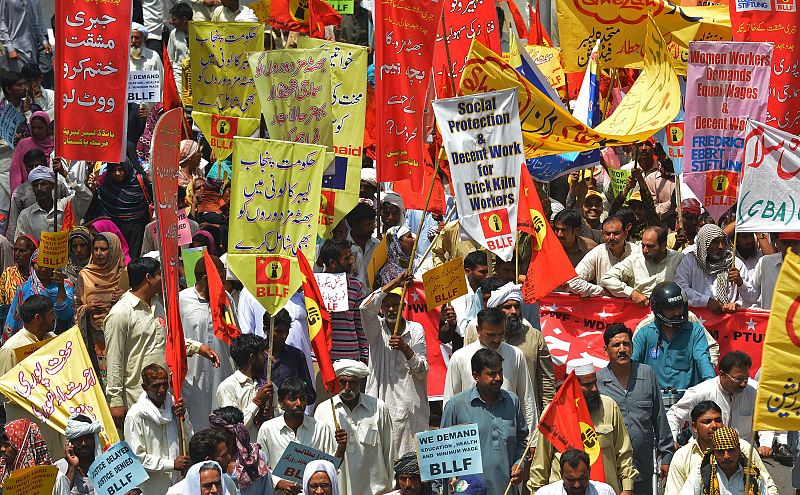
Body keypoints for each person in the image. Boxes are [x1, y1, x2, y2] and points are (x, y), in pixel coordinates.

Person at [104, 257, 216, 425]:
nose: (163, 279)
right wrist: (115, 402)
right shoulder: (120, 313)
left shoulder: (159, 305)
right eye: (159, 275)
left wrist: (198, 348)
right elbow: (114, 360)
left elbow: (169, 342)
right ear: (148, 278)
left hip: (164, 395)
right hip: (136, 396)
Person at [529, 358, 638, 495]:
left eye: (594, 383)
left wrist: (627, 488)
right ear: (571, 385)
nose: (594, 389)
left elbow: (624, 452)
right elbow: (541, 462)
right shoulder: (554, 413)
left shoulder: (609, 407)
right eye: (588, 385)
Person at [596, 324, 672, 495]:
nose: (622, 349)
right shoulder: (598, 382)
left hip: (642, 467)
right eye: (616, 345)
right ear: (606, 350)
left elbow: (659, 418)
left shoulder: (647, 374)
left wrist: (666, 456)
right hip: (610, 470)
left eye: (626, 344)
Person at [360, 272, 428, 457]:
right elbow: (365, 309)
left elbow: (422, 371)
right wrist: (395, 282)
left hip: (410, 410)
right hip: (381, 407)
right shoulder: (375, 329)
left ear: (403, 307)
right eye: (387, 305)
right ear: (381, 308)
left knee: (411, 466)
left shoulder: (416, 330)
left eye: (395, 305)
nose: (391, 310)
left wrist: (405, 348)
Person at [442, 348, 528, 494]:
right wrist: (452, 478)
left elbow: (522, 442)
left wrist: (519, 464)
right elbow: (444, 450)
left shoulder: (512, 401)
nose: (499, 378)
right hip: (468, 491)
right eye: (492, 374)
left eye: (500, 372)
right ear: (476, 376)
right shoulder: (456, 406)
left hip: (506, 489)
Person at [464, 281, 555, 414]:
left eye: (517, 306)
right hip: (483, 410)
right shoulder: (476, 333)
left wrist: (548, 412)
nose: (513, 311)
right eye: (507, 307)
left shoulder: (534, 337)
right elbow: (467, 371)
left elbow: (546, 381)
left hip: (524, 412)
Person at [666, 351, 774, 456]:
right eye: (737, 379)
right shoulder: (700, 392)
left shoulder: (754, 391)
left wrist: (765, 444)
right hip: (704, 454)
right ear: (722, 375)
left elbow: (765, 419)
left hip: (741, 455)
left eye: (746, 378)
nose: (743, 384)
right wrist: (672, 440)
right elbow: (674, 415)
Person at [444, 308, 537, 428]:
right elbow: (450, 398)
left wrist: (531, 440)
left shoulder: (516, 355)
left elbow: (526, 398)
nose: (497, 339)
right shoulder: (460, 357)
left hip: (507, 432)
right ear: (478, 329)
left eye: (501, 334)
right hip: (472, 436)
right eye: (491, 335)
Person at [314, 359, 394, 495]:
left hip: (374, 490)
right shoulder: (324, 410)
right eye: (342, 382)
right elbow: (318, 454)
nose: (347, 388)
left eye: (352, 382)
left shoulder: (378, 408)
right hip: (338, 489)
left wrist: (391, 487)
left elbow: (389, 450)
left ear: (361, 383)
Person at [664, 401, 777, 495]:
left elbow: (768, 487)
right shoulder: (691, 464)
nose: (714, 425)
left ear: (738, 449)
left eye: (718, 420)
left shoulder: (745, 451)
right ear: (694, 427)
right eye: (707, 422)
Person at [258, 377, 346, 495]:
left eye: (303, 398)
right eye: (293, 399)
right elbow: (261, 467)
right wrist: (279, 483)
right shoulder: (268, 429)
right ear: (280, 402)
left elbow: (331, 468)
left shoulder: (321, 427)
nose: (299, 403)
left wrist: (341, 449)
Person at [0, 296, 64, 457]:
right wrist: (34, 387)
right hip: (27, 426)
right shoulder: (11, 349)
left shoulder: (54, 340)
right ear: (38, 318)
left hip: (54, 421)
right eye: (50, 314)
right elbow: (4, 393)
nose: (54, 317)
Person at [180, 255, 236, 430]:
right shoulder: (182, 300)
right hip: (194, 380)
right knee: (197, 429)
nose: (223, 283)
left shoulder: (226, 299)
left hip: (223, 376)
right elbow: (174, 338)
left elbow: (234, 333)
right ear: (206, 279)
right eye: (219, 277)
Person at [632, 281, 716, 392]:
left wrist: (711, 386)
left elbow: (703, 360)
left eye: (679, 307)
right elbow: (631, 365)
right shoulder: (644, 333)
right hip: (652, 400)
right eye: (671, 309)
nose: (677, 313)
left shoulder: (695, 331)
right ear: (658, 309)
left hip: (687, 400)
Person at [125, 364, 192, 495]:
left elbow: (189, 439)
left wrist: (183, 418)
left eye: (164, 384)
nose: (161, 390)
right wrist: (171, 464)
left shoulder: (175, 406)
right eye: (155, 386)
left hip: (178, 483)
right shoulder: (135, 415)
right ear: (145, 388)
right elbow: (137, 458)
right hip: (152, 487)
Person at [75, 232, 128, 387]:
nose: (99, 253)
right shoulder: (85, 275)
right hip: (95, 339)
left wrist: (123, 298)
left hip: (120, 335)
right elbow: (76, 307)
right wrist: (87, 309)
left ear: (114, 250)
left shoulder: (124, 275)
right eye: (96, 249)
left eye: (104, 249)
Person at [674, 224, 758, 313]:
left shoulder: (734, 263)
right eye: (715, 242)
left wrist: (740, 288)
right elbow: (680, 288)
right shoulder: (690, 261)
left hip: (728, 321)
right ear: (704, 244)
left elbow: (752, 297)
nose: (721, 247)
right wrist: (707, 301)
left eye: (722, 242)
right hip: (698, 321)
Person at [85, 160, 153, 258]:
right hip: (115, 228)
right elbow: (94, 205)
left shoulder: (139, 181)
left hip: (137, 228)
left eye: (121, 169)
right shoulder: (106, 185)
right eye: (114, 170)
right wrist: (92, 188)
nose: (117, 173)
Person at [601, 226, 684, 305]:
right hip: (642, 314)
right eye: (643, 245)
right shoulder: (635, 260)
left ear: (663, 246)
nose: (645, 250)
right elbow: (607, 278)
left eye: (650, 246)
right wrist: (631, 293)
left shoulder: (680, 260)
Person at [3, 248, 74, 340]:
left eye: (48, 265)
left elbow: (65, 315)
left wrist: (60, 287)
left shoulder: (66, 285)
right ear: (32, 265)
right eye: (39, 265)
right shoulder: (23, 289)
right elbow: (14, 319)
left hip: (60, 338)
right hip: (31, 339)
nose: (44, 269)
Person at [216, 334, 277, 439]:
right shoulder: (228, 387)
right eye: (262, 354)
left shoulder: (267, 384)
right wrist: (257, 401)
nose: (266, 358)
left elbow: (281, 413)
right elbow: (234, 427)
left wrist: (273, 414)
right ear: (252, 357)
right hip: (244, 451)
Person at [317, 239, 368, 363]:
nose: (352, 260)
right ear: (333, 263)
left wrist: (365, 354)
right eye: (346, 258)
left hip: (350, 356)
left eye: (351, 255)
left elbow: (360, 323)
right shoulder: (315, 286)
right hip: (321, 357)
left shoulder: (356, 286)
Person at [678, 426, 770, 495]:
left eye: (731, 450)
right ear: (714, 451)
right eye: (721, 451)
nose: (726, 456)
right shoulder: (701, 473)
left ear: (738, 449)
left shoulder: (754, 474)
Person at [567, 215, 641, 297]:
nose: (611, 238)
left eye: (616, 233)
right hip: (606, 306)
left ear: (625, 233)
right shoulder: (597, 252)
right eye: (607, 234)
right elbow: (572, 282)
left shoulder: (637, 252)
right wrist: (601, 291)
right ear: (602, 234)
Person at [16, 164, 92, 242]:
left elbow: (86, 195)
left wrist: (64, 174)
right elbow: (20, 243)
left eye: (43, 184)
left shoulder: (67, 206)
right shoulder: (26, 215)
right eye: (35, 185)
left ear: (53, 185)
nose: (39, 189)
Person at [208, 407, 273, 495]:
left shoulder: (255, 456)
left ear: (230, 431)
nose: (211, 434)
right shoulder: (211, 458)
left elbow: (267, 489)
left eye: (216, 430)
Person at [265, 309, 316, 404]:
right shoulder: (256, 356)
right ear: (266, 330)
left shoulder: (297, 356)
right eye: (279, 331)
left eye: (287, 331)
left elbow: (310, 395)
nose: (284, 336)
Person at [167, 430, 237, 495]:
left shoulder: (228, 484)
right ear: (208, 461)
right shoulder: (176, 492)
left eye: (217, 483)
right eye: (223, 455)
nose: (229, 458)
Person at [747, 232, 800, 309]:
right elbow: (752, 294)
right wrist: (740, 283)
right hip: (769, 319)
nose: (790, 248)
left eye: (795, 243)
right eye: (786, 243)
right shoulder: (765, 262)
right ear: (778, 243)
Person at [55, 414, 103, 495]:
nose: (84, 443)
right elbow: (60, 492)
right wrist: (72, 467)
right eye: (78, 439)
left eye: (88, 438)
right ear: (70, 442)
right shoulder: (59, 468)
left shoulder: (106, 463)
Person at [535, 448, 616, 495]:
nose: (577, 485)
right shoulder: (545, 493)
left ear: (589, 472)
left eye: (582, 479)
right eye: (571, 479)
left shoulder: (604, 492)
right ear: (561, 474)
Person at [9, 112, 52, 198]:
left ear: (47, 128)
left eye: (40, 128)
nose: (36, 131)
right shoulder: (23, 144)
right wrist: (17, 195)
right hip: (26, 195)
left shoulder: (55, 146)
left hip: (50, 195)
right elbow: (15, 172)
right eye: (33, 127)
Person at [0, 419, 53, 486]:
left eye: (7, 445)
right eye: (2, 444)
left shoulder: (53, 479)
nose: (2, 449)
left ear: (22, 446)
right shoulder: (3, 473)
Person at [0, 0, 50, 71]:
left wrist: (43, 41)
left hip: (31, 47)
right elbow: (2, 23)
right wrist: (10, 47)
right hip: (16, 47)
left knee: (33, 77)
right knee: (19, 79)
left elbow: (34, 22)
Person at [450, 250, 488, 338]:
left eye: (487, 271)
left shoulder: (490, 290)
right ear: (468, 271)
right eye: (482, 272)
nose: (486, 276)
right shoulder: (456, 292)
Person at [345, 202, 379, 290]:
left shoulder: (377, 246)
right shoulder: (343, 247)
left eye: (373, 223)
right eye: (368, 225)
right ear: (355, 225)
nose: (373, 227)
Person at [0, 234, 37, 304]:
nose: (17, 254)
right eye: (15, 250)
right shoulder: (8, 273)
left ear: (34, 253)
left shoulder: (40, 276)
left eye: (22, 251)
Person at [129, 23, 164, 90]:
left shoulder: (153, 56)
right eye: (131, 37)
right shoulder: (122, 57)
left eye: (137, 38)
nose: (133, 41)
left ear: (144, 39)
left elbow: (162, 81)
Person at [167, 3, 192, 90]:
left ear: (184, 19)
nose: (171, 22)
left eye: (174, 19)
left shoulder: (199, 33)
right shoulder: (174, 33)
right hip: (179, 75)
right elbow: (170, 57)